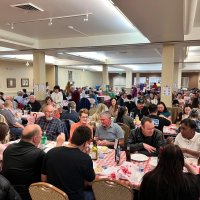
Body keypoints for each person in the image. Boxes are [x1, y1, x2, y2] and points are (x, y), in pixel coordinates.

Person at [2, 124, 65, 200]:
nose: (42, 137)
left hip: (6, 190)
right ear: (35, 139)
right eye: (41, 134)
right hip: (28, 194)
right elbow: (52, 168)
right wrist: (58, 146)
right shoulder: (39, 154)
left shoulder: (9, 148)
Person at [41, 126, 95, 200]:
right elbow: (90, 183)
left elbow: (43, 179)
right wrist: (86, 156)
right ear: (86, 143)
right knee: (94, 193)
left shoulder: (51, 152)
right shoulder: (85, 158)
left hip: (51, 195)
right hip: (72, 197)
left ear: (71, 138)